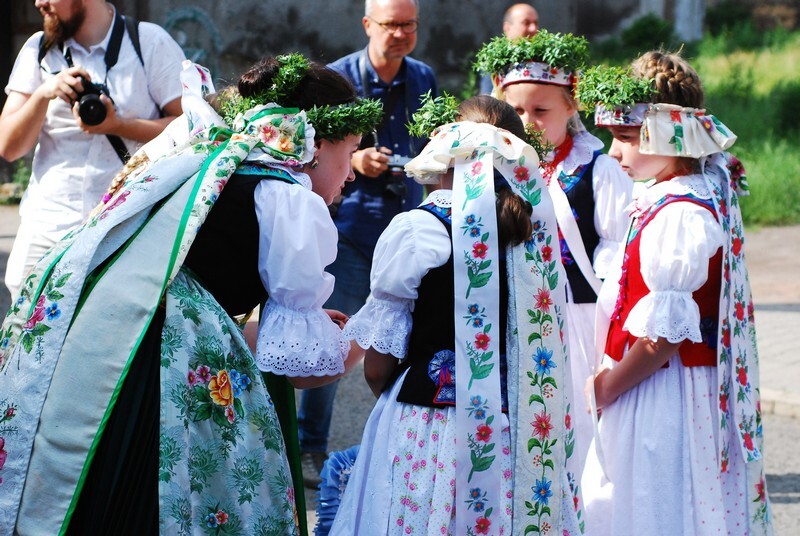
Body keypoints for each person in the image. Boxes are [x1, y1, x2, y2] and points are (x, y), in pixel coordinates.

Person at [0, 54, 380, 535]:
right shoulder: (288, 199)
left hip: (111, 350)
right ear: (314, 144)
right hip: (164, 381)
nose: (351, 174)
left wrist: (251, 329)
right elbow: (300, 366)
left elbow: (199, 294)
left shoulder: (208, 166)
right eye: (348, 154)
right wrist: (373, 329)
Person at [328, 95, 582, 535]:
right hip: (516, 430)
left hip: (430, 427)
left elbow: (378, 365)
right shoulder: (532, 230)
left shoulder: (420, 229)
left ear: (447, 156)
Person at [579, 52, 774, 535]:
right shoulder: (675, 196)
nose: (614, 152)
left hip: (665, 392)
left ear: (668, 133)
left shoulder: (682, 213)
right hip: (653, 384)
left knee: (655, 507)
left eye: (625, 138)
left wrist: (607, 386)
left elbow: (662, 340)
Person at [476, 30, 634, 479]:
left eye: (541, 111)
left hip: (578, 313)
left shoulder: (597, 170)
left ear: (572, 107)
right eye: (518, 111)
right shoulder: (495, 170)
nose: (528, 122)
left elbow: (617, 241)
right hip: (512, 310)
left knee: (576, 417)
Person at [298, 0, 438, 487]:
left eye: (408, 25)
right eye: (389, 25)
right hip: (350, 227)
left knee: (407, 340)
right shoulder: (337, 81)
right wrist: (355, 163)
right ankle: (309, 445)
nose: (399, 34)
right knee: (334, 338)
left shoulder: (423, 77)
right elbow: (308, 147)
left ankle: (397, 438)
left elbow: (435, 142)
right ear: (366, 25)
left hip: (410, 229)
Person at [0, 0, 186, 297]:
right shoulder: (38, 50)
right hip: (47, 225)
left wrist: (118, 125)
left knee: (111, 338)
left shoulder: (148, 42)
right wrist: (42, 94)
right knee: (24, 336)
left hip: (126, 229)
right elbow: (8, 147)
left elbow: (191, 128)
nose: (38, 3)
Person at [478, 3, 540, 95]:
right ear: (507, 27)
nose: (533, 28)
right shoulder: (496, 59)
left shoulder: (545, 59)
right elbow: (486, 100)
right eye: (526, 23)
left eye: (535, 23)